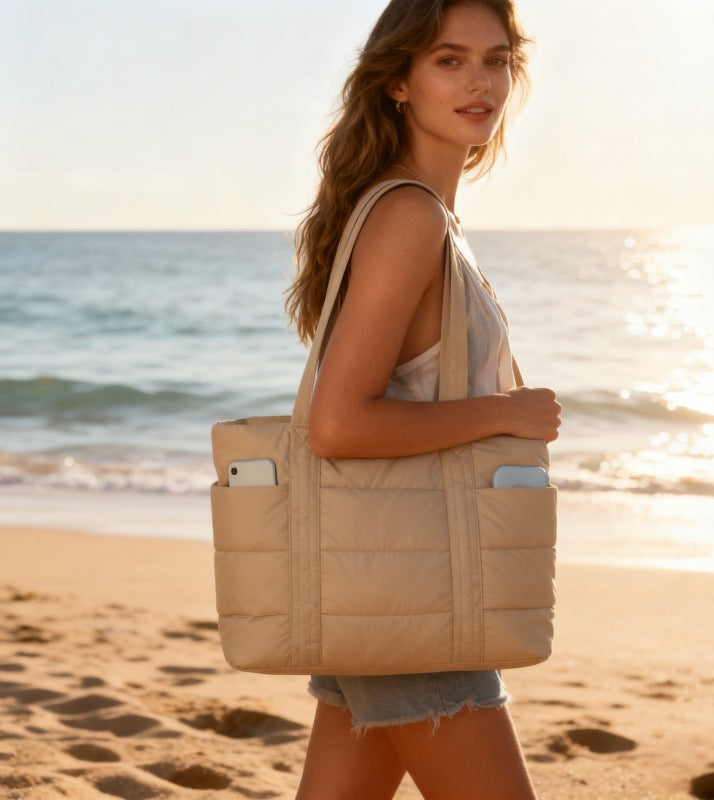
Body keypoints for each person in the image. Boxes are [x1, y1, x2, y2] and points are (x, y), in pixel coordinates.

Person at [285, 1, 561, 797]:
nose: (482, 81)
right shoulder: (408, 215)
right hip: (415, 598)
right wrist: (507, 413)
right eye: (449, 60)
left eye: (497, 59)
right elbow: (337, 424)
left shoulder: (426, 215)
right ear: (398, 81)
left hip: (389, 587)